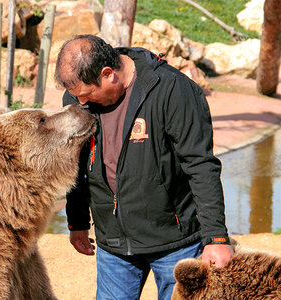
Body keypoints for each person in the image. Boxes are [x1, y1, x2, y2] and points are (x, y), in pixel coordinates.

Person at [54, 34, 234, 300]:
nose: (81, 103)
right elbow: (77, 166)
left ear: (108, 74)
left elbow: (200, 166)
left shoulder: (173, 90)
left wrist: (216, 239)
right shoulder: (78, 99)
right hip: (114, 245)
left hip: (176, 242)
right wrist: (77, 221)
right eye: (75, 96)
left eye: (87, 94)